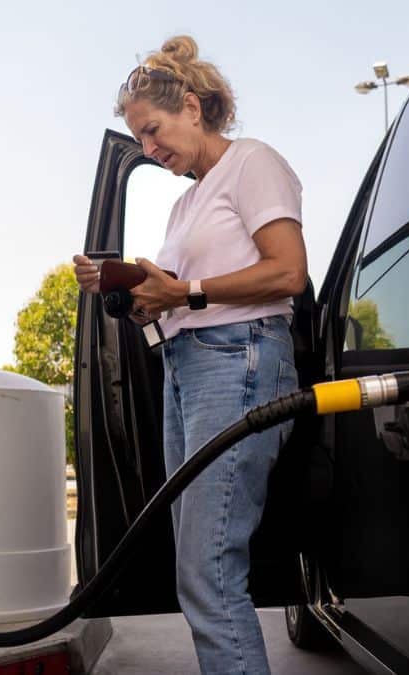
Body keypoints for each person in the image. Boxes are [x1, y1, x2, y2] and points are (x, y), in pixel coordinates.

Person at [72, 35, 306, 675]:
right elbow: (173, 296)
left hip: (240, 361)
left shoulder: (252, 163)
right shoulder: (184, 202)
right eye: (139, 141)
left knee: (208, 572)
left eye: (153, 131)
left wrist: (185, 291)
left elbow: (289, 274)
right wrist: (134, 290)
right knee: (198, 570)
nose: (148, 149)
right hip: (189, 369)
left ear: (194, 109)